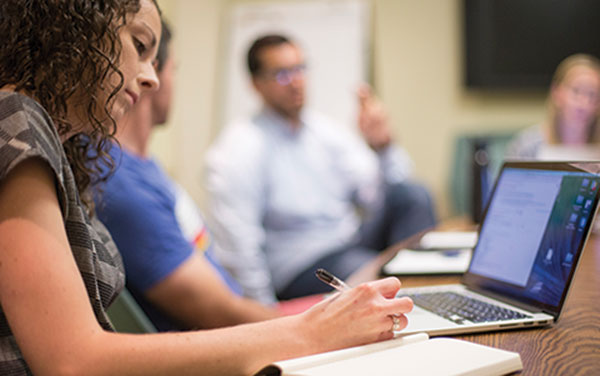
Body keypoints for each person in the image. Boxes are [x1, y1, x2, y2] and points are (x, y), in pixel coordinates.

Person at [0, 1, 414, 375]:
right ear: (78, 30)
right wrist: (309, 332)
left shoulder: (58, 146)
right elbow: (72, 361)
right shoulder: (16, 121)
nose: (152, 78)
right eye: (140, 45)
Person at [205, 34, 437, 304]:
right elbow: (239, 246)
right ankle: (416, 301)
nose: (295, 81)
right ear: (256, 84)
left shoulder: (324, 132)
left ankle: (431, 297)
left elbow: (380, 192)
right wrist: (265, 314)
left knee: (413, 194)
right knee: (376, 271)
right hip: (300, 267)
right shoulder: (240, 148)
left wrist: (383, 147)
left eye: (300, 69)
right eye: (281, 74)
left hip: (346, 243)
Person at [95, 20, 282, 331]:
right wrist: (313, 325)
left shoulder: (142, 167)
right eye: (175, 69)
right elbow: (220, 313)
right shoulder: (119, 182)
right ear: (150, 74)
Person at [506, 53, 600, 160]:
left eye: (592, 94)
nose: (583, 102)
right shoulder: (527, 145)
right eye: (576, 91)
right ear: (556, 92)